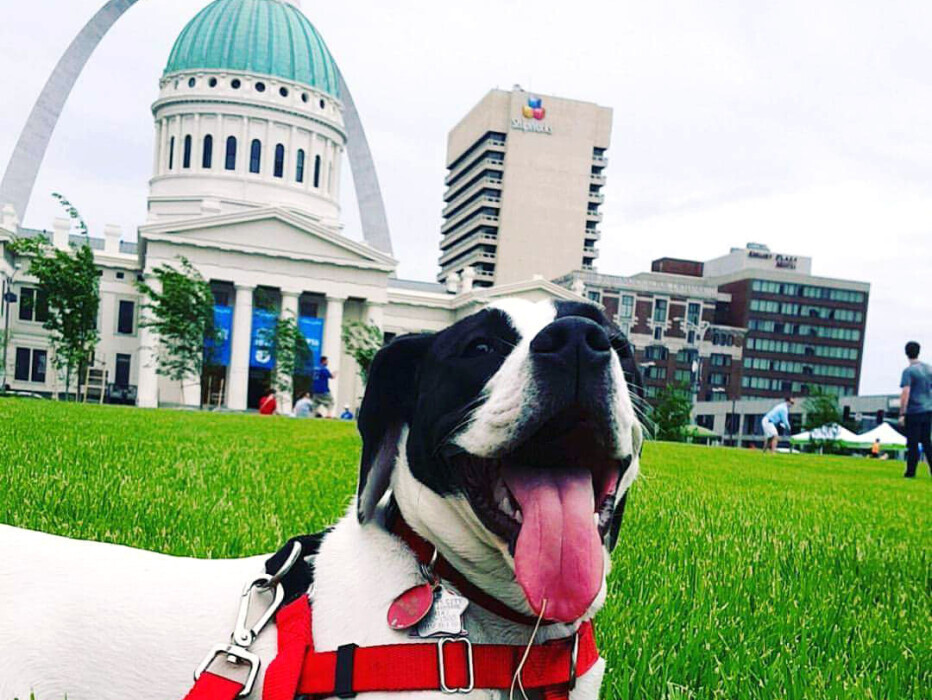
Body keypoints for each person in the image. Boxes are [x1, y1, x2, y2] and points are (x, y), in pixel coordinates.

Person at [898, 341, 932, 478]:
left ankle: (911, 471)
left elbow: (906, 392)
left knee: (913, 442)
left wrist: (902, 413)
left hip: (914, 411)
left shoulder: (908, 371)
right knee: (927, 442)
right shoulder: (929, 369)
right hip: (928, 409)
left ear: (906, 353)